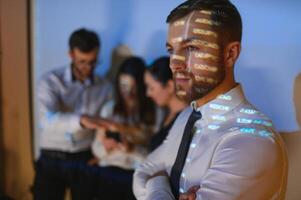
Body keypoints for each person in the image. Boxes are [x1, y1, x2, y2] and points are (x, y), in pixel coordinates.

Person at [133, 1, 288, 200]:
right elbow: (142, 172)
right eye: (172, 50)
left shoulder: (252, 139)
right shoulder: (187, 115)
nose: (175, 64)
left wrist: (156, 183)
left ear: (230, 54)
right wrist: (160, 184)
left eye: (191, 48)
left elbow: (149, 177)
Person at [34, 28, 112, 200]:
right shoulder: (50, 81)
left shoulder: (105, 86)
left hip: (84, 158)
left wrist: (101, 153)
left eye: (93, 62)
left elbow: (106, 122)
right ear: (71, 55)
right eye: (82, 62)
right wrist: (82, 120)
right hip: (51, 158)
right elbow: (46, 120)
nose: (88, 68)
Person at [86, 56, 156, 200]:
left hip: (136, 174)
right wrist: (105, 147)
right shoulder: (109, 110)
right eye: (123, 86)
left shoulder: (154, 112)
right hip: (107, 172)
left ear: (142, 86)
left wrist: (132, 149)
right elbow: (96, 148)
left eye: (133, 87)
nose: (128, 93)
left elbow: (156, 158)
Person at [144, 56, 187, 151]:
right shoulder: (165, 113)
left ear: (170, 86)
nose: (148, 94)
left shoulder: (184, 121)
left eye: (151, 88)